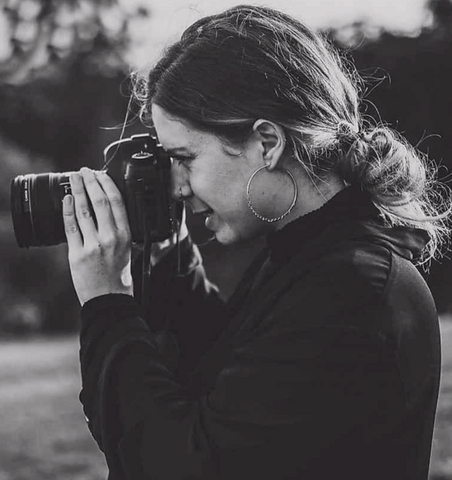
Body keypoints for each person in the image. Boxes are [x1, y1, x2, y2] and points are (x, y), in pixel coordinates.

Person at [62, 5, 450, 480]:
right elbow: (222, 369)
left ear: (267, 142)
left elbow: (187, 464)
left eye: (184, 157)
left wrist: (107, 303)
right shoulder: (313, 260)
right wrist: (167, 251)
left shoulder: (351, 289)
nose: (177, 186)